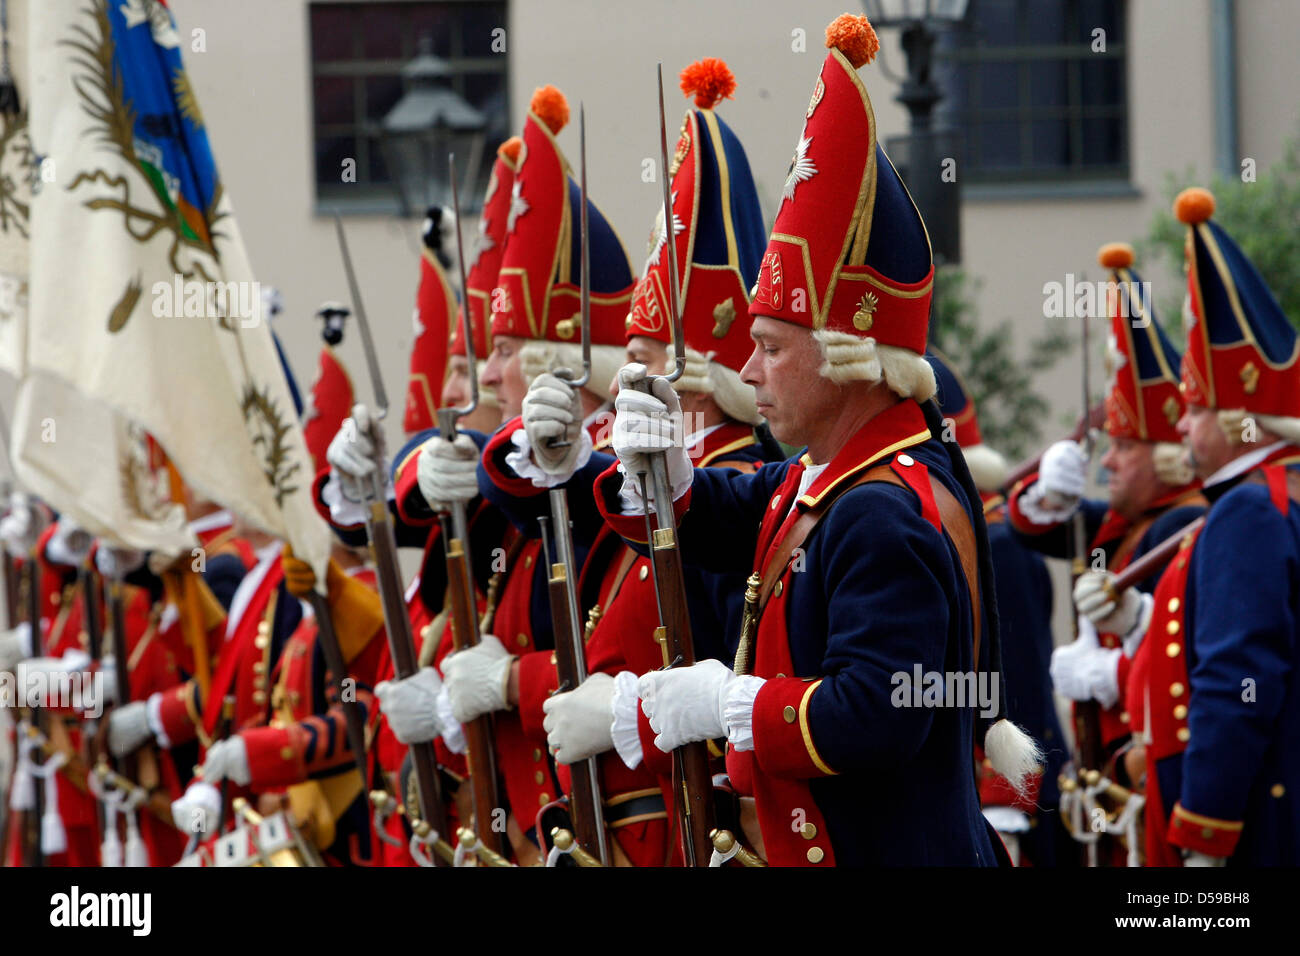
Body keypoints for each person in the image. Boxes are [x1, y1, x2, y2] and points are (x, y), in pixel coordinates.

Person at [590, 14, 1037, 866]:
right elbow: (719, 508)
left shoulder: (879, 509)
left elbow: (881, 712)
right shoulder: (828, 479)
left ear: (848, 361)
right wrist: (654, 465)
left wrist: (728, 704)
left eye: (770, 349)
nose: (748, 374)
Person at [1110, 188, 1300, 865]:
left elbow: (1238, 682)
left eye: (1195, 406)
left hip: (1256, 836)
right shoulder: (1271, 498)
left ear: (1235, 415)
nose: (1182, 425)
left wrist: (1204, 834)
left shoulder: (1249, 510)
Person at [1009, 243, 1204, 772]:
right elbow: (1026, 529)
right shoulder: (1128, 524)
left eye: (1123, 448)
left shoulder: (1183, 522)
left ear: (1165, 458)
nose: (1108, 463)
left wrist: (1113, 673)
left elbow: (1182, 658)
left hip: (1148, 766)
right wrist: (1049, 491)